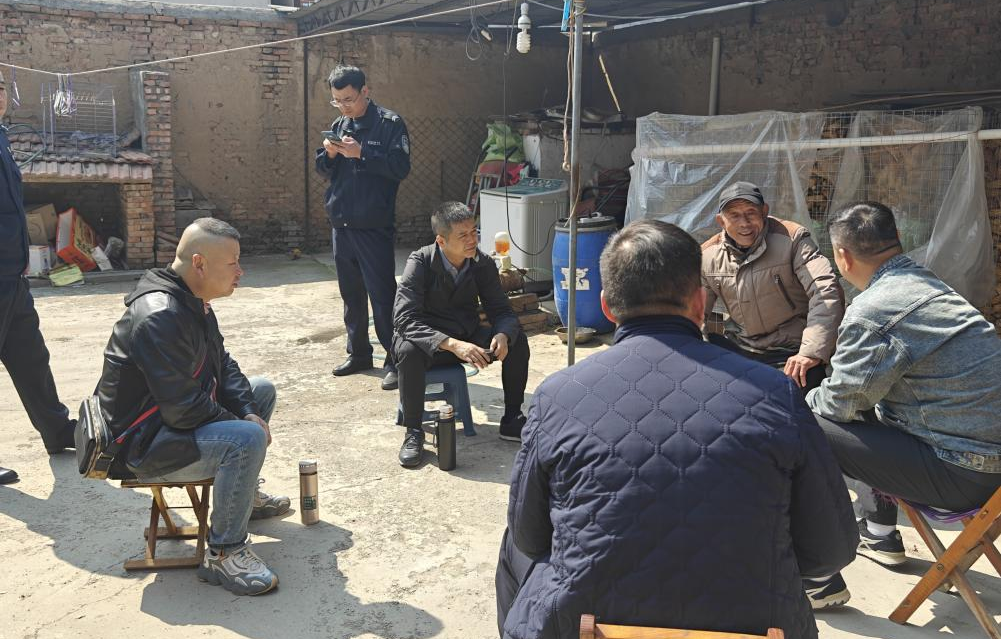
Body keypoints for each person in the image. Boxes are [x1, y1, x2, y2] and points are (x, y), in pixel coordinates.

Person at [496, 219, 858, 639]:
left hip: (585, 625)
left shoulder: (557, 394)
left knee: (514, 545)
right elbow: (830, 550)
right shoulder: (777, 393)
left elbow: (530, 534)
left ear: (607, 307)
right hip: (762, 624)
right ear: (700, 305)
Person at [805, 201, 1001, 605]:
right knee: (862, 408)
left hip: (962, 474)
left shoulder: (873, 311)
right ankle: (879, 531)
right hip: (989, 463)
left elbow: (838, 403)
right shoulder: (928, 283)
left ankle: (816, 573)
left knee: (798, 423)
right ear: (896, 239)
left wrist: (798, 397)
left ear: (842, 256)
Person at [95, 218, 290, 596]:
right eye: (232, 262)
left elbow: (222, 363)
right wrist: (244, 426)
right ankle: (224, 552)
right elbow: (182, 409)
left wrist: (248, 411)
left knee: (260, 392)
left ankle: (241, 496)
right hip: (144, 444)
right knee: (246, 439)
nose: (240, 271)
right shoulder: (161, 315)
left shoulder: (191, 300)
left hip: (169, 422)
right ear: (199, 263)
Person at [393, 202, 530, 467]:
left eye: (474, 232)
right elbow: (404, 319)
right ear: (441, 241)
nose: (472, 240)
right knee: (408, 351)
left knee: (517, 340)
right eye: (463, 235)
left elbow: (501, 309)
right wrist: (451, 344)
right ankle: (414, 431)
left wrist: (502, 334)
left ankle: (512, 418)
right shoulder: (420, 262)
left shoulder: (482, 263)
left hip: (466, 336)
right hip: (428, 343)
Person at [0, 69, 76, 485]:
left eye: (0, 88)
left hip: (12, 276)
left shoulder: (2, 139)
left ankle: (58, 431)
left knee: (31, 357)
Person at [315, 64, 411, 392]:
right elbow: (323, 170)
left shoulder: (389, 124)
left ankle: (397, 360)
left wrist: (362, 153)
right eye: (337, 100)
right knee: (351, 295)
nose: (343, 106)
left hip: (373, 225)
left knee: (382, 296)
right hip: (341, 223)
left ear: (365, 91)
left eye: (349, 99)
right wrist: (329, 154)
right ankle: (358, 353)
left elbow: (400, 167)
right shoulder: (339, 124)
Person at [701, 181, 844, 391]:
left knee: (804, 384)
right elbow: (694, 311)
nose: (744, 223)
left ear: (764, 212)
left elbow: (825, 291)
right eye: (734, 216)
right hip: (740, 347)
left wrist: (810, 353)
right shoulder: (708, 255)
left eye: (751, 213)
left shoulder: (793, 239)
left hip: (790, 350)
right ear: (721, 221)